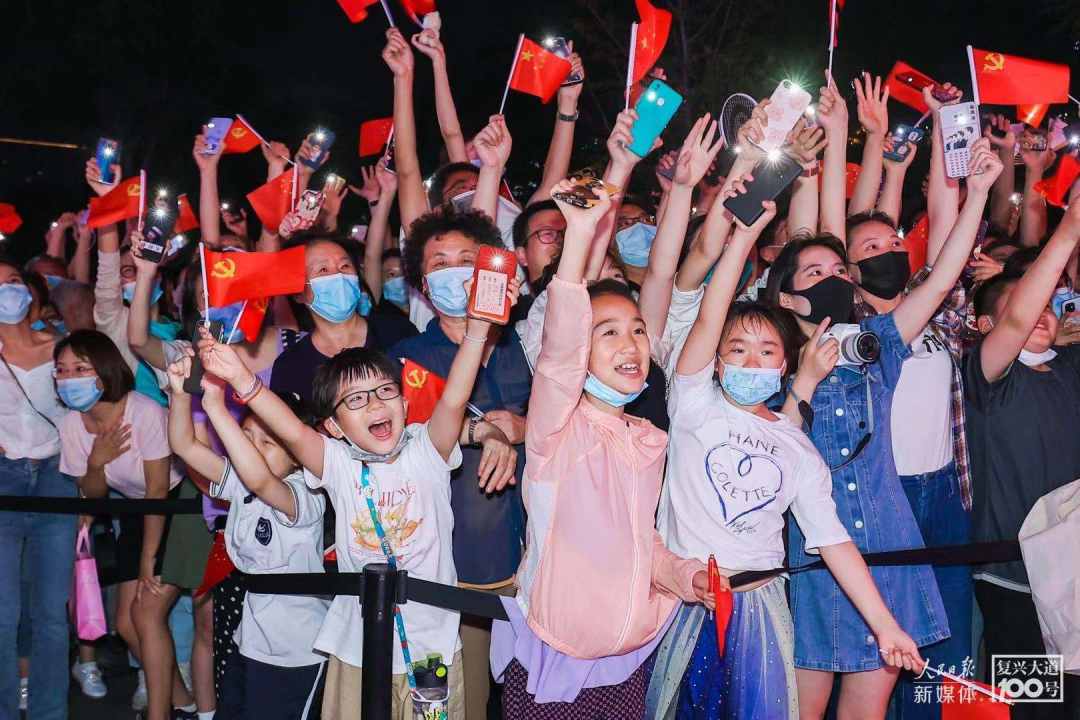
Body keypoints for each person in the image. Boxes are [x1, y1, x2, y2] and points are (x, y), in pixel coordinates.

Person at [761, 76, 1003, 719]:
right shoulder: (766, 365)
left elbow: (942, 278)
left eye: (839, 270)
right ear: (786, 296)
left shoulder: (878, 345)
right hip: (816, 557)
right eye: (815, 272)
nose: (834, 278)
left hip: (894, 548)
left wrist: (979, 192)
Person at [647, 176, 923, 719]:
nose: (751, 361)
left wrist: (886, 626)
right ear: (716, 361)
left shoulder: (796, 446)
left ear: (784, 365)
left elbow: (834, 543)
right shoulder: (694, 405)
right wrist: (744, 240)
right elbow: (710, 313)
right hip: (687, 602)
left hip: (762, 610)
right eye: (737, 349)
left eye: (767, 351)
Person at [197, 262, 519, 719]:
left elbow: (452, 398)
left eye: (385, 391)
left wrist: (477, 331)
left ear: (404, 403)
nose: (374, 404)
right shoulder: (336, 463)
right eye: (355, 399)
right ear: (333, 426)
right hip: (358, 647)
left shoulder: (426, 449)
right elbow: (291, 430)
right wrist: (240, 380)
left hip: (432, 647)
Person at [491, 179, 718, 717]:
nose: (630, 344)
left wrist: (686, 576)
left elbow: (641, 545)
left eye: (637, 331)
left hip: (625, 659)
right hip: (556, 652)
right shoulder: (556, 430)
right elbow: (559, 352)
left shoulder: (647, 440)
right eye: (608, 332)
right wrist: (579, 236)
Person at [392, 202, 526, 716]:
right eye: (440, 263)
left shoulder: (522, 347)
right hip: (445, 569)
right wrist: (482, 431)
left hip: (530, 562)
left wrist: (522, 428)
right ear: (423, 285)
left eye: (467, 261)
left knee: (531, 700)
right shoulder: (405, 358)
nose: (455, 273)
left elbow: (571, 417)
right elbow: (403, 439)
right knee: (451, 704)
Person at [964, 197, 1080, 720]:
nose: (1038, 314)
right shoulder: (989, 377)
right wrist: (1068, 231)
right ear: (985, 324)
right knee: (1035, 706)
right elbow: (1015, 324)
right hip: (1014, 577)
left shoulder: (1071, 367)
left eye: (1046, 306)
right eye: (1026, 304)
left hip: (1074, 572)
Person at [166, 351, 328, 720]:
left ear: (298, 457)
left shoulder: (306, 495)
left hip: (295, 653)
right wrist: (180, 394)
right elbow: (185, 446)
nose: (252, 447)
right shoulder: (242, 483)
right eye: (247, 436)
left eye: (267, 443)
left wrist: (216, 406)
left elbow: (261, 480)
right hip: (251, 641)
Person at [53, 330, 191, 720]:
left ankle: (160, 714)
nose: (69, 378)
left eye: (80, 368)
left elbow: (158, 489)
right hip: (135, 511)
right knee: (127, 626)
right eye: (61, 370)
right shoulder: (71, 425)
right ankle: (184, 701)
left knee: (146, 615)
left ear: (105, 370)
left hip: (179, 507)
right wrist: (96, 462)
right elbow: (93, 495)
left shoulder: (142, 411)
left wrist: (148, 557)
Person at [0, 259, 77, 720]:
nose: (6, 290)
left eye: (12, 281)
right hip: (3, 479)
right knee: (3, 614)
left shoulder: (59, 349)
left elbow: (81, 415)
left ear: (28, 291)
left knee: (51, 613)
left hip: (56, 477)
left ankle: (50, 712)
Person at [270, 235, 416, 405]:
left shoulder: (398, 331)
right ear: (298, 294)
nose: (338, 275)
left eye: (345, 266)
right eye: (323, 270)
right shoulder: (291, 366)